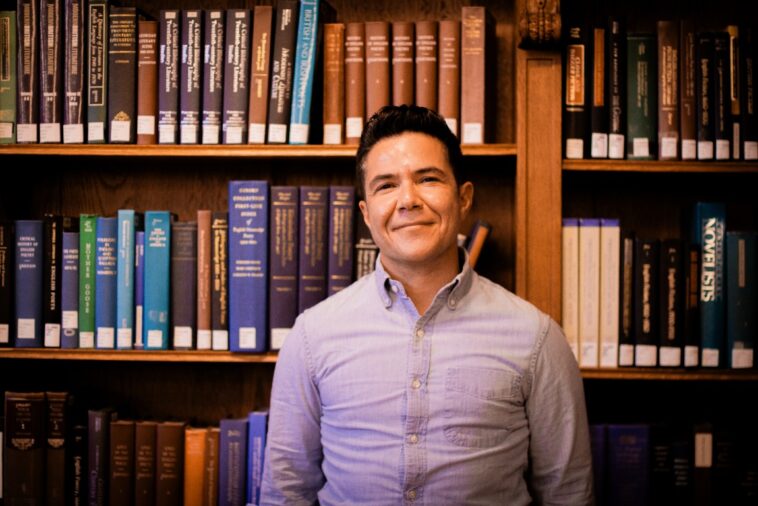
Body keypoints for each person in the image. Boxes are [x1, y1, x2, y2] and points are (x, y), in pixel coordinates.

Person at [260, 105, 593, 505]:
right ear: (366, 214)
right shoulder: (312, 337)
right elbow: (286, 492)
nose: (407, 200)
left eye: (428, 179)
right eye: (385, 186)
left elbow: (568, 494)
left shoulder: (536, 338)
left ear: (464, 197)